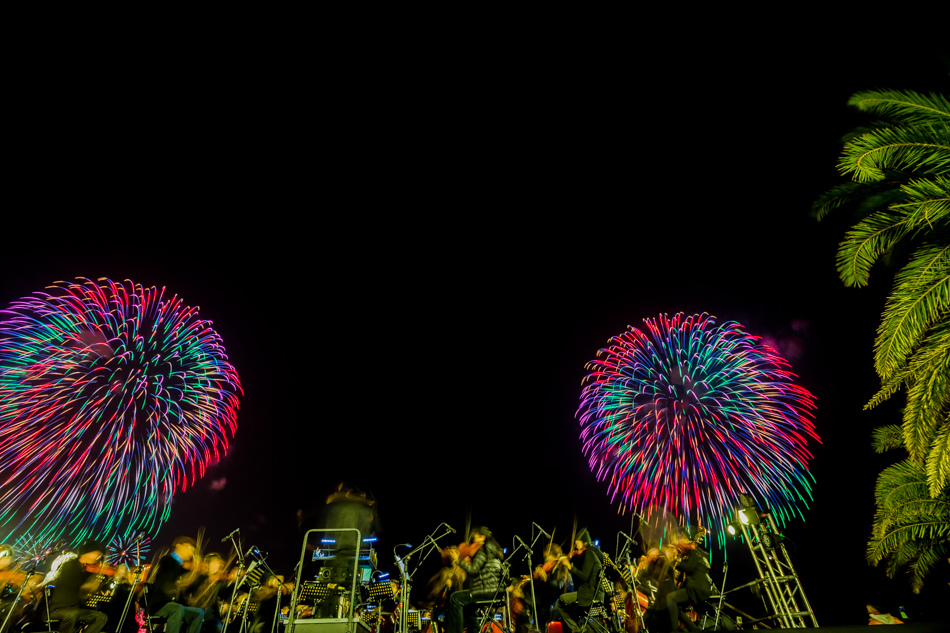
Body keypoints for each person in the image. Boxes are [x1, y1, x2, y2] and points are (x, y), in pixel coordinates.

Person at [445, 526, 504, 633]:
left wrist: (458, 560)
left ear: (483, 537)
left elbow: (473, 570)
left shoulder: (484, 549)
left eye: (476, 538)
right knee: (468, 607)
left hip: (487, 590)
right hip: (494, 590)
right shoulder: (492, 549)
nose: (474, 541)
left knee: (455, 598)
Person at [44, 541, 110, 633]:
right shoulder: (70, 565)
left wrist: (97, 577)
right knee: (72, 614)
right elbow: (79, 586)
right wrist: (94, 573)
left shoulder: (86, 571)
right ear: (85, 554)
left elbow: (87, 592)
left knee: (101, 617)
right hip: (58, 609)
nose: (98, 556)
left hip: (75, 609)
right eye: (95, 553)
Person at [149, 536, 205, 633]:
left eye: (193, 551)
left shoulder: (183, 567)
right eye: (190, 549)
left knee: (198, 613)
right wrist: (188, 569)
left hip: (178, 606)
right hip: (160, 605)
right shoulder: (167, 560)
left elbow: (191, 589)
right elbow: (169, 580)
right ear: (179, 546)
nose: (191, 553)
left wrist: (197, 574)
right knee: (177, 609)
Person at [555, 530, 604, 633]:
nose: (576, 546)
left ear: (584, 542)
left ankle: (575, 629)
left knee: (560, 602)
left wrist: (569, 567)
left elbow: (584, 576)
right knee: (568, 603)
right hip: (588, 593)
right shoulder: (592, 553)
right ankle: (578, 626)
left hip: (589, 594)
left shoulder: (589, 553)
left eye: (578, 543)